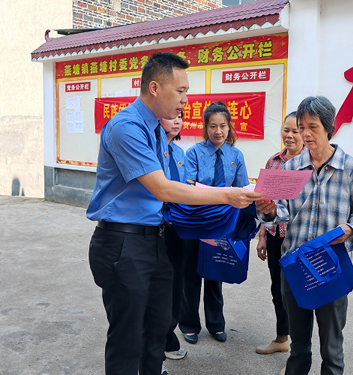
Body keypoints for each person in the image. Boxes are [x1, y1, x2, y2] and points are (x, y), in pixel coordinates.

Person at [86, 52, 262, 375]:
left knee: (158, 329)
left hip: (156, 241)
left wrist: (241, 202)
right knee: (127, 339)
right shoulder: (127, 127)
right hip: (122, 245)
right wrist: (227, 195)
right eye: (180, 91)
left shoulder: (157, 133)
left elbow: (182, 189)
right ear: (155, 88)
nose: (186, 99)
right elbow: (163, 189)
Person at [256, 96, 353, 375]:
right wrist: (269, 212)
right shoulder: (289, 168)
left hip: (331, 268)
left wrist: (350, 229)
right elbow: (281, 213)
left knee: (331, 350)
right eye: (300, 128)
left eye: (312, 127)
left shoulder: (351, 168)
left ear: (329, 128)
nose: (305, 135)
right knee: (299, 347)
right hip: (295, 266)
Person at [179, 101, 250, 345]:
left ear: (229, 127)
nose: (218, 131)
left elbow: (241, 189)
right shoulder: (194, 153)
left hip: (222, 224)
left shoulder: (235, 155)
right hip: (195, 221)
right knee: (190, 275)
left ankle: (216, 324)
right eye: (212, 126)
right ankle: (188, 324)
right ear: (205, 128)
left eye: (222, 126)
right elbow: (187, 187)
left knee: (215, 273)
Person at [255, 111, 302, 355]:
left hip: (300, 239)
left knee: (295, 292)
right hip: (275, 234)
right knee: (277, 289)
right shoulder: (274, 161)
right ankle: (282, 338)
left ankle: (298, 350)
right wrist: (262, 235)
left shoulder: (310, 162)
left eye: (295, 131)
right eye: (286, 130)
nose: (290, 135)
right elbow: (266, 201)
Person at [159, 113, 195, 372]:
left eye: (180, 117)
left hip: (179, 228)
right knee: (158, 289)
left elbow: (184, 188)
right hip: (156, 227)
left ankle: (167, 333)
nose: (177, 121)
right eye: (170, 117)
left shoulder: (180, 152)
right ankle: (158, 342)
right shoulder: (152, 150)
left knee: (176, 284)